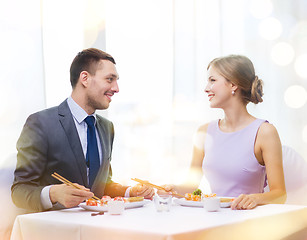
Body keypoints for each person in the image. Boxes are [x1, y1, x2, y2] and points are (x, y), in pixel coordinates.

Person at [11, 48, 155, 212]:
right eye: (109, 79)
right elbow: (20, 190)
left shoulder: (107, 128)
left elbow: (101, 185)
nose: (116, 88)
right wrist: (53, 193)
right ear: (85, 78)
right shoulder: (41, 123)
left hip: (98, 228)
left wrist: (129, 191)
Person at [175, 54, 286, 210]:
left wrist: (254, 199)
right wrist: (167, 189)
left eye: (212, 80)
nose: (206, 88)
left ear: (233, 84)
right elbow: (190, 187)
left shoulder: (265, 132)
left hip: (247, 223)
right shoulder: (204, 132)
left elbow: (280, 194)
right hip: (212, 218)